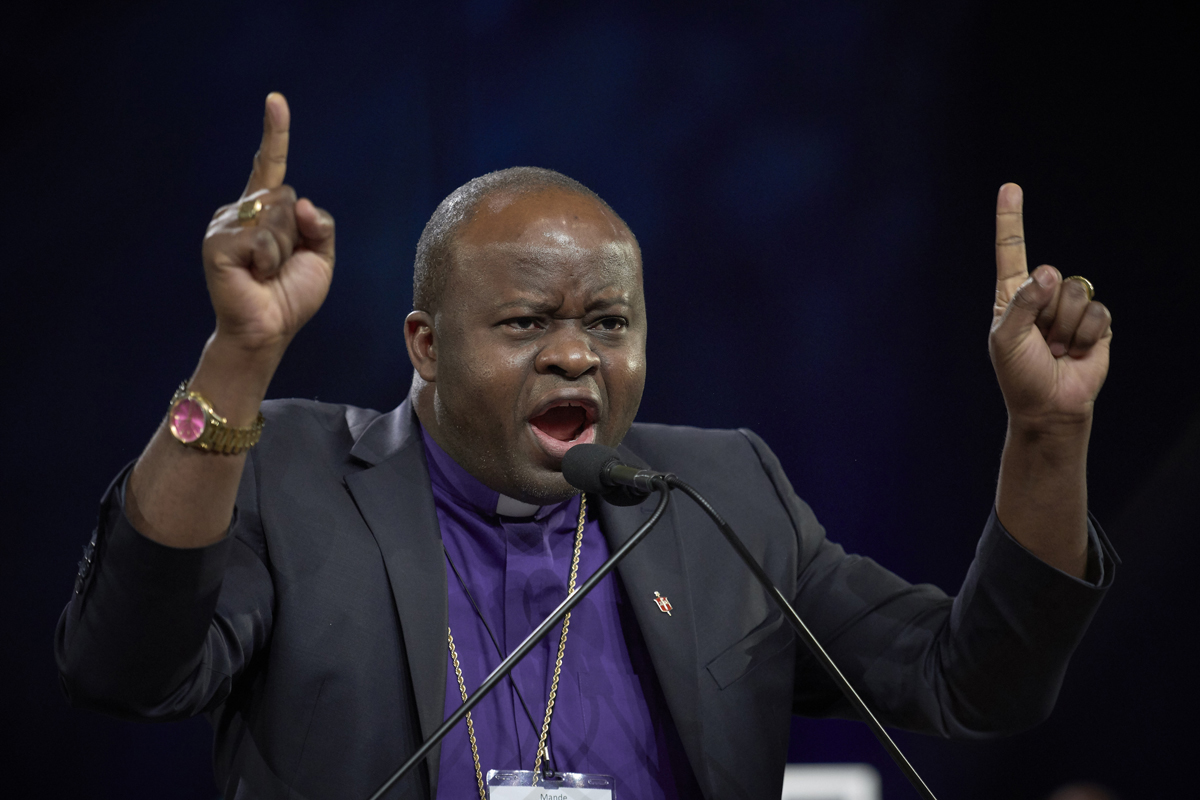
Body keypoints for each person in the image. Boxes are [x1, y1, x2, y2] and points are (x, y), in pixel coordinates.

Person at [56, 93, 1117, 800]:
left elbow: (977, 681)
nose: (575, 357)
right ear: (425, 344)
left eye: (608, 324)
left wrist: (1048, 430)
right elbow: (126, 668)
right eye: (524, 325)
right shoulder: (291, 476)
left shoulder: (721, 492)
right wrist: (239, 354)